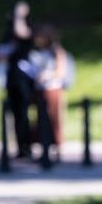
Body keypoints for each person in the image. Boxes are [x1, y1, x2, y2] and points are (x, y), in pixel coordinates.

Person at [0, 1, 36, 159]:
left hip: (24, 79)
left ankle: (27, 146)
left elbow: (23, 33)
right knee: (15, 114)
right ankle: (20, 147)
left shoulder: (27, 29)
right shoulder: (7, 33)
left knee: (24, 113)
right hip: (11, 78)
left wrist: (19, 16)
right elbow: (0, 54)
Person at [29, 25, 71, 164]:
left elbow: (60, 72)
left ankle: (57, 149)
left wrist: (46, 75)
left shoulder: (57, 52)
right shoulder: (39, 52)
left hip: (53, 90)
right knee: (40, 122)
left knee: (54, 120)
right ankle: (44, 149)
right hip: (40, 90)